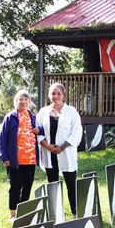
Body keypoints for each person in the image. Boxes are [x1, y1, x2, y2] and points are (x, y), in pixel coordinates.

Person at [36, 83, 83, 215]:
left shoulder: (71, 112)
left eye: (58, 94)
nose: (56, 96)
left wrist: (62, 147)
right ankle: (56, 213)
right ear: (49, 95)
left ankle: (75, 211)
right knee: (53, 184)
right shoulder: (43, 112)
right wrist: (47, 146)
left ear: (63, 95)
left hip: (66, 153)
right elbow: (38, 131)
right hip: (49, 153)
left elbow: (76, 133)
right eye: (53, 94)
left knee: (71, 184)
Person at [0, 90, 40, 219]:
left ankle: (23, 211)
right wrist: (4, 156)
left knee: (28, 185)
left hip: (30, 160)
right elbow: (1, 139)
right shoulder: (10, 117)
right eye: (20, 99)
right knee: (15, 187)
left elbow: (40, 130)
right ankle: (13, 213)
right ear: (16, 102)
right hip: (15, 160)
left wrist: (39, 130)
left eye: (26, 99)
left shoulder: (33, 117)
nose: (23, 101)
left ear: (29, 102)